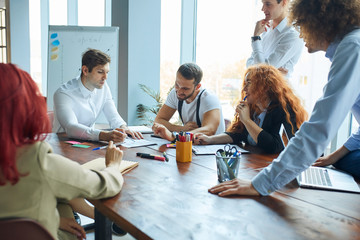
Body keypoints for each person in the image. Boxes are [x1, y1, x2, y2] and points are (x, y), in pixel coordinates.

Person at [209, 0, 360, 197]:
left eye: (301, 23)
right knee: (342, 162)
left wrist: (259, 184)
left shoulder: (352, 47)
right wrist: (333, 156)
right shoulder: (351, 46)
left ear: (320, 21)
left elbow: (318, 129)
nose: (299, 32)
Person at [0, 63, 124, 239]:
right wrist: (112, 165)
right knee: (62, 193)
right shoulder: (38, 160)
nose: (104, 77)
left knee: (60, 197)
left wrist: (56, 219)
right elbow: (102, 186)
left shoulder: (103, 91)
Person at [194, 64, 307, 154]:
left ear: (263, 86)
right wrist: (210, 139)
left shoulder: (283, 110)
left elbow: (274, 147)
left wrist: (247, 120)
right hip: (255, 163)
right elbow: (238, 134)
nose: (244, 88)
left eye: (249, 83)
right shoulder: (253, 108)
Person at [53, 48, 142, 142]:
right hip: (63, 144)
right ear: (85, 70)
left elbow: (113, 116)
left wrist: (123, 128)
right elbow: (71, 127)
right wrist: (103, 135)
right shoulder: (63, 94)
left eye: (107, 72)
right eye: (100, 72)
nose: (105, 77)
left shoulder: (103, 87)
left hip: (89, 143)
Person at [152, 63, 225, 141]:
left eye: (185, 88)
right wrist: (182, 129)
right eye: (177, 85)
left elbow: (210, 130)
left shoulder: (208, 98)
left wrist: (176, 136)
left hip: (213, 148)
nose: (179, 91)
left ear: (197, 87)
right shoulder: (175, 93)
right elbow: (159, 120)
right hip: (191, 144)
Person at [246, 0, 304, 78]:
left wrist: (256, 38)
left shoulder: (292, 35)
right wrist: (268, 71)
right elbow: (249, 65)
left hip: (276, 90)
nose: (263, 9)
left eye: (268, 4)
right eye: (262, 4)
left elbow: (261, 74)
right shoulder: (266, 29)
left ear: (284, 2)